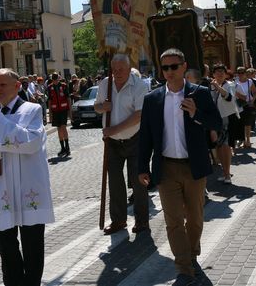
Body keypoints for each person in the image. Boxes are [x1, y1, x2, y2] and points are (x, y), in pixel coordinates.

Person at [138, 48, 222, 286]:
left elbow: (216, 123)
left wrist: (196, 114)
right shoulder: (152, 99)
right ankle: (184, 267)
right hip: (166, 169)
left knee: (195, 219)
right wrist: (142, 167)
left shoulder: (201, 93)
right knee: (173, 221)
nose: (170, 72)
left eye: (174, 67)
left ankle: (192, 254)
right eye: (165, 68)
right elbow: (145, 136)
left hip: (193, 166)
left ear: (184, 67)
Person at [0, 68, 54, 286]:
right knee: (5, 244)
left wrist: (4, 125)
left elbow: (32, 142)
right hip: (3, 189)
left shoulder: (32, 110)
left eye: (3, 85)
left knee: (32, 245)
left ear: (17, 86)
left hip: (30, 187)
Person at [94, 54, 150, 235]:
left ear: (128, 68)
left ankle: (142, 221)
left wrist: (114, 129)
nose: (117, 73)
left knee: (138, 181)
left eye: (121, 70)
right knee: (115, 183)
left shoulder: (139, 85)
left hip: (135, 139)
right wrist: (103, 107)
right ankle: (119, 220)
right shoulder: (105, 84)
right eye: (114, 70)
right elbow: (96, 106)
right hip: (112, 143)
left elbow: (139, 115)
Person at [210, 63, 238, 184]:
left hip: (227, 119)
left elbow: (229, 97)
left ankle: (227, 174)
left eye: (222, 71)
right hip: (215, 120)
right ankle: (224, 172)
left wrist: (218, 87)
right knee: (219, 147)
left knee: (226, 147)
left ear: (226, 74)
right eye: (217, 72)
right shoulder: (210, 86)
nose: (220, 74)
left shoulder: (230, 84)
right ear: (213, 74)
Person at [48, 73, 71, 157]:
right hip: (55, 111)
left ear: (59, 78)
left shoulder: (64, 86)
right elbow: (50, 101)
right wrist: (50, 114)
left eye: (56, 79)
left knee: (63, 127)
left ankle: (67, 147)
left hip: (63, 110)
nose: (55, 81)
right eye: (54, 79)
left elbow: (68, 98)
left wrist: (70, 112)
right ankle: (62, 148)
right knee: (59, 129)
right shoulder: (50, 87)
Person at [235, 67, 256, 149]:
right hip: (237, 105)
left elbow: (255, 92)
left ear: (245, 73)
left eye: (242, 72)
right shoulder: (235, 82)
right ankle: (242, 140)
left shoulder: (249, 81)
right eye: (239, 73)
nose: (240, 74)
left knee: (247, 124)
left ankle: (247, 141)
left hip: (247, 104)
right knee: (240, 123)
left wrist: (252, 100)